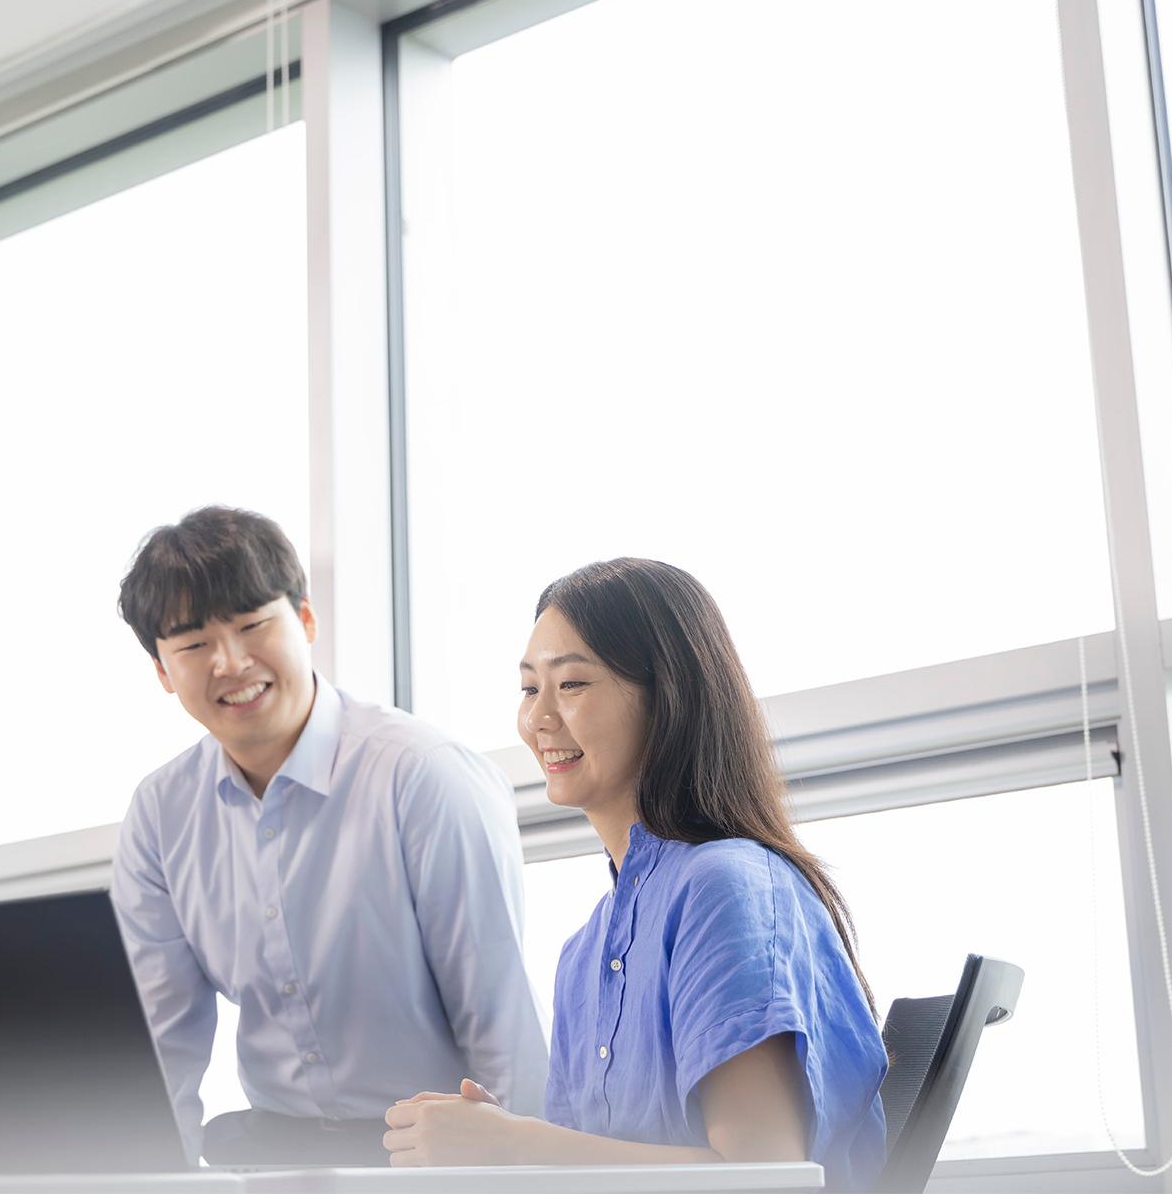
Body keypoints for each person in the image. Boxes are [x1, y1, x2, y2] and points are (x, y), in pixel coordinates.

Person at [382, 558, 889, 1188]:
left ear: (667, 696)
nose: (538, 719)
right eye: (528, 688)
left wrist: (516, 1146)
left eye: (571, 684)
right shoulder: (585, 951)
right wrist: (501, 1144)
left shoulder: (725, 887)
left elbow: (768, 1179)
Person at [110, 506, 547, 1166]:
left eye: (253, 624)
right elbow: (161, 1048)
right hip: (274, 1156)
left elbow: (502, 1027)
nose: (229, 662)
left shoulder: (420, 775)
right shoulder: (160, 813)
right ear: (163, 671)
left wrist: (525, 1176)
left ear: (306, 620)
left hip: (435, 1159)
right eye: (194, 644)